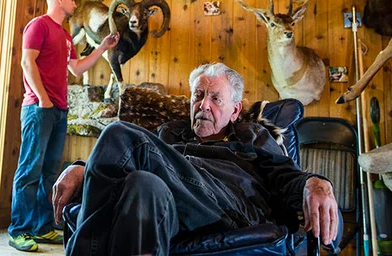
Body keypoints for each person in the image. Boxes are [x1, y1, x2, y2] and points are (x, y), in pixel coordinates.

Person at [52, 62, 339, 256]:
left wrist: (316, 183)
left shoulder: (251, 135)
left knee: (118, 133)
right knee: (142, 183)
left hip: (228, 208)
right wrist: (81, 168)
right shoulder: (170, 133)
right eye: (198, 95)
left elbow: (286, 176)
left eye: (216, 98)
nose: (203, 104)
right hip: (173, 210)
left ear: (235, 110)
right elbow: (123, 163)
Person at [8, 0, 119, 252]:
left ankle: (42, 227)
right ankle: (19, 230)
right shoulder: (39, 25)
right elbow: (27, 63)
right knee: (30, 169)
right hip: (39, 108)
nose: (74, 3)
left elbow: (77, 68)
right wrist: (43, 100)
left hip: (59, 111)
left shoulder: (65, 34)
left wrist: (102, 47)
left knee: (49, 173)